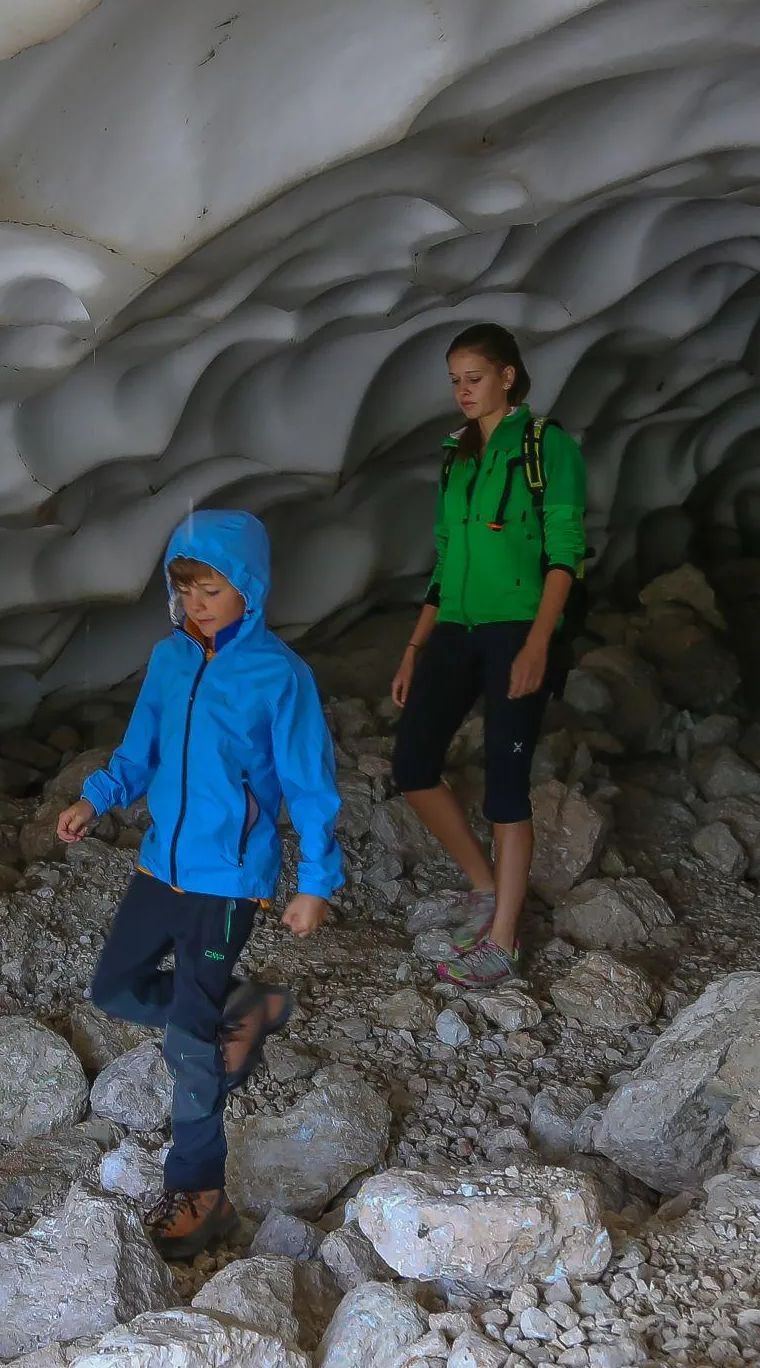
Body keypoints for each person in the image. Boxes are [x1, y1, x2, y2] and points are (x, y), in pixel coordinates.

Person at [55, 509, 343, 1260]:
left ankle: (200, 1192)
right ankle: (241, 1008)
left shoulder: (279, 675)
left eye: (211, 588)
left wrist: (313, 881)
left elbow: (311, 786)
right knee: (113, 989)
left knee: (188, 1043)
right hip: (161, 865)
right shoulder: (169, 659)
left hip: (229, 881)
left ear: (248, 587)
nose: (196, 604)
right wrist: (96, 797)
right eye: (185, 589)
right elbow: (138, 751)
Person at [387, 323, 587, 988]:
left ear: (507, 375)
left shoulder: (545, 447)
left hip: (515, 629)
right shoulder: (457, 455)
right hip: (457, 627)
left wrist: (537, 642)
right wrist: (415, 649)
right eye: (455, 380)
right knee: (413, 763)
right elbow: (445, 563)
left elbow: (565, 553)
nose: (463, 391)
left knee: (507, 782)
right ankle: (482, 885)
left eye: (474, 377)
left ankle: (503, 939)